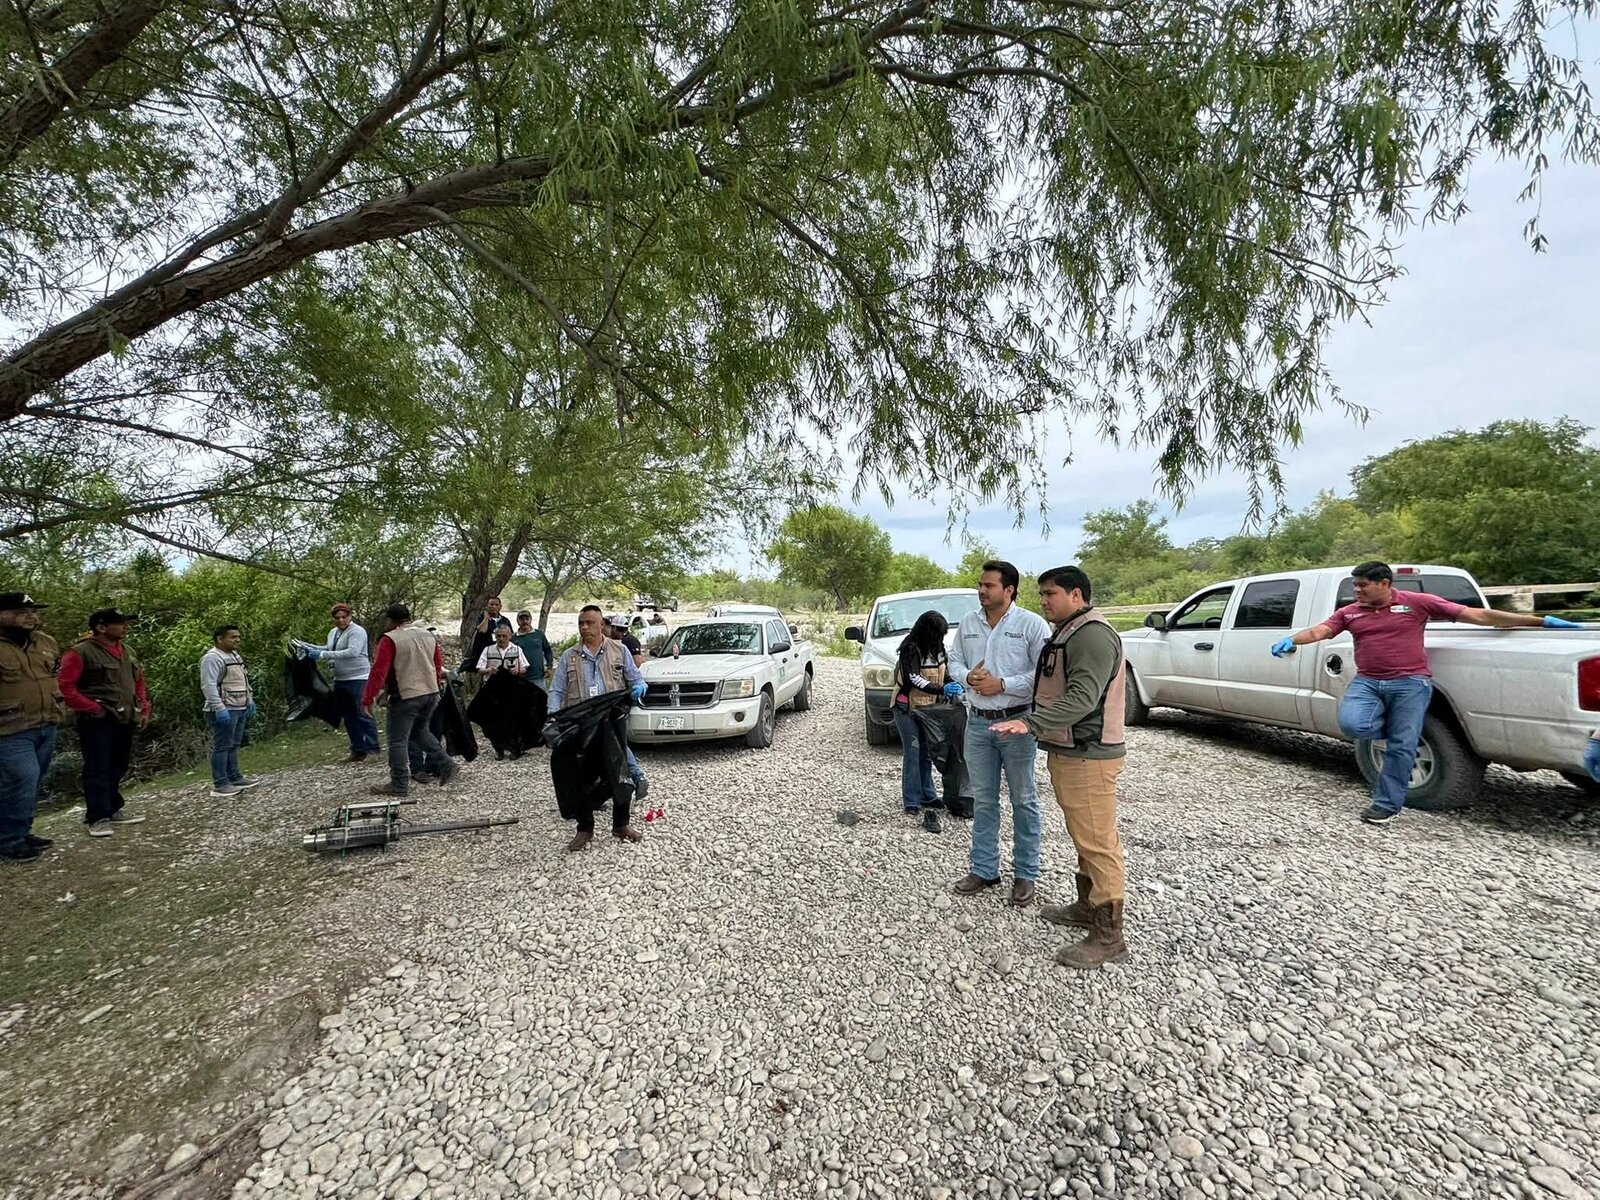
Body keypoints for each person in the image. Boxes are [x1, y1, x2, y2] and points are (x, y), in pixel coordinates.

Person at [1272, 560, 1584, 824]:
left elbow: (1477, 615)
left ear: (1384, 584)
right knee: (1354, 724)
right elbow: (1321, 630)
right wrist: (1294, 640)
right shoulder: (1350, 612)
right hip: (1368, 681)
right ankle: (1397, 736)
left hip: (1410, 683)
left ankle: (1387, 804)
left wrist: (1540, 621)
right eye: (1355, 586)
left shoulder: (1416, 603)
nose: (1357, 591)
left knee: (1402, 747)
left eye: (1362, 585)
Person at [993, 566, 1129, 969]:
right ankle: (1088, 907)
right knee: (1084, 835)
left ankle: (1109, 937)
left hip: (1089, 753)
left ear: (1076, 594)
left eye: (1050, 593)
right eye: (1041, 594)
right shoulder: (1073, 630)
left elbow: (1084, 697)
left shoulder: (1091, 635)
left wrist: (1031, 722)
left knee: (1098, 842)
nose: (1044, 601)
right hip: (1072, 750)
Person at [947, 560, 1053, 906]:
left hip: (1017, 723)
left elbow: (1044, 675)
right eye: (980, 584)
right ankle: (984, 869)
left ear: (1009, 590)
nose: (981, 591)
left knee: (1024, 799)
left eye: (989, 585)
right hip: (977, 723)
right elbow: (954, 659)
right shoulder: (968, 623)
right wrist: (967, 678)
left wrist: (1003, 684)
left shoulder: (1031, 625)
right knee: (984, 798)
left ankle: (1026, 874)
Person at [549, 605, 649, 849]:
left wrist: (639, 689)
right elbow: (557, 689)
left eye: (590, 622)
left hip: (612, 722)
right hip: (582, 726)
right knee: (579, 777)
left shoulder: (619, 650)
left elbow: (635, 679)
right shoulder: (569, 656)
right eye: (581, 623)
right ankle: (584, 829)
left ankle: (621, 824)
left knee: (618, 772)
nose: (585, 627)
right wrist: (552, 717)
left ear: (601, 625)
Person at [59, 608, 153, 834]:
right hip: (97, 719)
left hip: (126, 716)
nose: (125, 627)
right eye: (120, 623)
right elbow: (65, 686)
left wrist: (143, 708)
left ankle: (113, 808)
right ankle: (98, 816)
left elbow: (137, 681)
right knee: (97, 765)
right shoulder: (80, 652)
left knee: (118, 764)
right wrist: (92, 708)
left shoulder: (127, 651)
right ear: (101, 627)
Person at [362, 603, 458, 795]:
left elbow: (379, 670)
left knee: (397, 740)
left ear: (390, 620)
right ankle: (446, 763)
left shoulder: (390, 639)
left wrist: (367, 698)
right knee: (418, 731)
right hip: (431, 692)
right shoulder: (426, 635)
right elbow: (437, 664)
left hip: (406, 695)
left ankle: (399, 784)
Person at [0, 593, 65, 863]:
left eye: (33, 611)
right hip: (9, 728)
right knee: (23, 777)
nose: (30, 615)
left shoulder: (45, 643)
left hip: (45, 722)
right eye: (20, 611)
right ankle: (8, 841)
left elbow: (54, 676)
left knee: (32, 781)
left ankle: (22, 831)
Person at [892, 610, 965, 833]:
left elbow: (945, 674)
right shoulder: (911, 649)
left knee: (927, 752)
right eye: (937, 634)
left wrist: (954, 684)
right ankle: (911, 800)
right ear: (928, 632)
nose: (940, 639)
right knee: (913, 753)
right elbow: (914, 678)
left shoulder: (938, 650)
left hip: (930, 709)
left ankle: (928, 795)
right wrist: (941, 688)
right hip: (907, 707)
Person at [300, 603, 380, 762]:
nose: (341, 620)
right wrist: (310, 647)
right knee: (348, 715)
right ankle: (357, 750)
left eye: (344, 617)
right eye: (337, 618)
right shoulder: (333, 632)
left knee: (362, 713)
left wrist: (322, 654)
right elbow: (330, 648)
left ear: (350, 616)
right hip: (340, 679)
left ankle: (373, 749)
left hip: (358, 678)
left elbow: (353, 651)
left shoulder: (357, 631)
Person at [199, 624, 260, 800]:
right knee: (222, 746)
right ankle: (220, 783)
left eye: (238, 636)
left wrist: (250, 700)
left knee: (233, 744)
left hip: (239, 705)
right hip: (224, 708)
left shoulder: (235, 656)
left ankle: (235, 777)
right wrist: (219, 708)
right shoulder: (212, 658)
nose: (237, 640)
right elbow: (208, 685)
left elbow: (243, 679)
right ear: (220, 639)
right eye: (233, 637)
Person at [463, 596, 514, 674]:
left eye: (496, 605)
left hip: (500, 654)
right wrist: (486, 618)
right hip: (484, 654)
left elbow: (510, 636)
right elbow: (482, 631)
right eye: (491, 604)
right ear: (487, 606)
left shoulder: (505, 620)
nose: (494, 607)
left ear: (500, 607)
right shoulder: (482, 618)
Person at [512, 611, 555, 683]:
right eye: (522, 619)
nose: (525, 621)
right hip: (520, 678)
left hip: (539, 677)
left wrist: (549, 667)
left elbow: (548, 650)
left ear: (531, 620)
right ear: (517, 621)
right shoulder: (513, 638)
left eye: (527, 619)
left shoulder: (539, 634)